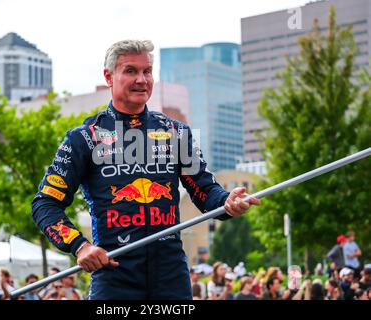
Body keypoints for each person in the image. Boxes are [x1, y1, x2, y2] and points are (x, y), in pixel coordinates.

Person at [31, 39, 260, 300]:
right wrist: (79, 246)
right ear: (109, 76)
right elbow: (45, 204)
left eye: (147, 71)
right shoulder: (83, 138)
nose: (142, 79)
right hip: (114, 273)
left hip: (171, 274)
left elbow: (205, 190)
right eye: (130, 71)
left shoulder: (175, 132)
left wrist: (226, 201)